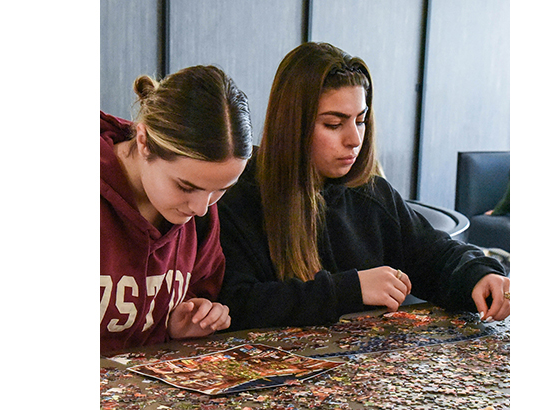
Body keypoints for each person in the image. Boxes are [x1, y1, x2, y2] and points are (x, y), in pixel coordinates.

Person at [216, 42, 510, 331]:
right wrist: (351, 289)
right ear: (293, 125)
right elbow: (236, 304)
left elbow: (436, 256)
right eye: (333, 124)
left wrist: (479, 275)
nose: (354, 139)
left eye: (361, 120)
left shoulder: (372, 193)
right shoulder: (237, 195)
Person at [100, 65, 253, 354]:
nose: (201, 209)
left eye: (221, 190)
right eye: (185, 186)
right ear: (144, 142)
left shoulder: (201, 209)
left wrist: (179, 325)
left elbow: (199, 287)